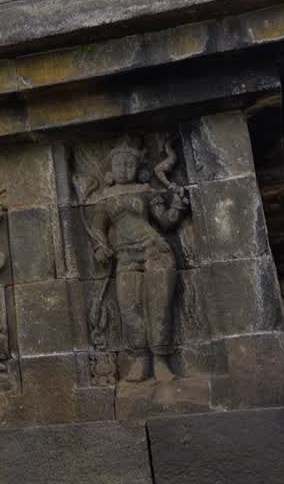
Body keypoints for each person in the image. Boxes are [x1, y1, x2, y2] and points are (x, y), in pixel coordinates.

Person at [82, 136, 186, 383]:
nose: (125, 168)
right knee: (130, 311)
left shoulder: (148, 192)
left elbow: (165, 222)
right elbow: (97, 229)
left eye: (130, 164)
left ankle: (161, 361)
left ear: (139, 169)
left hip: (156, 252)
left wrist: (179, 206)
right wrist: (100, 248)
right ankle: (140, 359)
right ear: (110, 169)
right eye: (119, 164)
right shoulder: (106, 198)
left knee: (159, 310)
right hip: (125, 258)